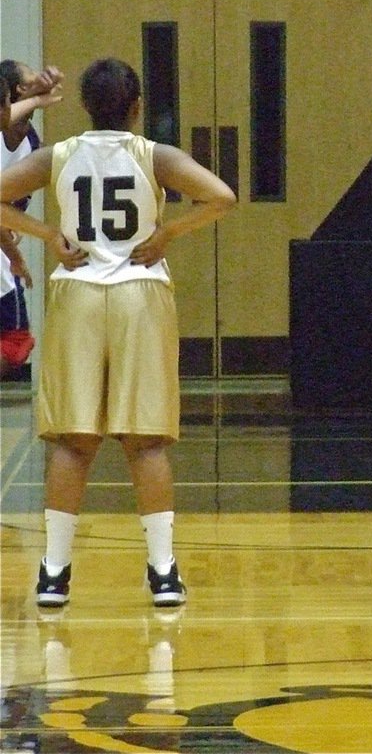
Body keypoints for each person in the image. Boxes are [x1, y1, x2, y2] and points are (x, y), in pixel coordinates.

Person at [0, 57, 236, 608]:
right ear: (136, 106)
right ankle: (163, 573)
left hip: (77, 294)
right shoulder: (155, 154)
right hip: (138, 294)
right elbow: (222, 196)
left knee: (74, 441)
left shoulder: (56, 155)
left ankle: (55, 574)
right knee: (145, 441)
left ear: (85, 105)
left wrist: (44, 234)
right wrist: (169, 232)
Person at [0, 61, 65, 376]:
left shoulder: (32, 142)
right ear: (15, 93)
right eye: (32, 81)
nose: (44, 80)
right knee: (13, 341)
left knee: (15, 342)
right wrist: (17, 257)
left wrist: (13, 230)